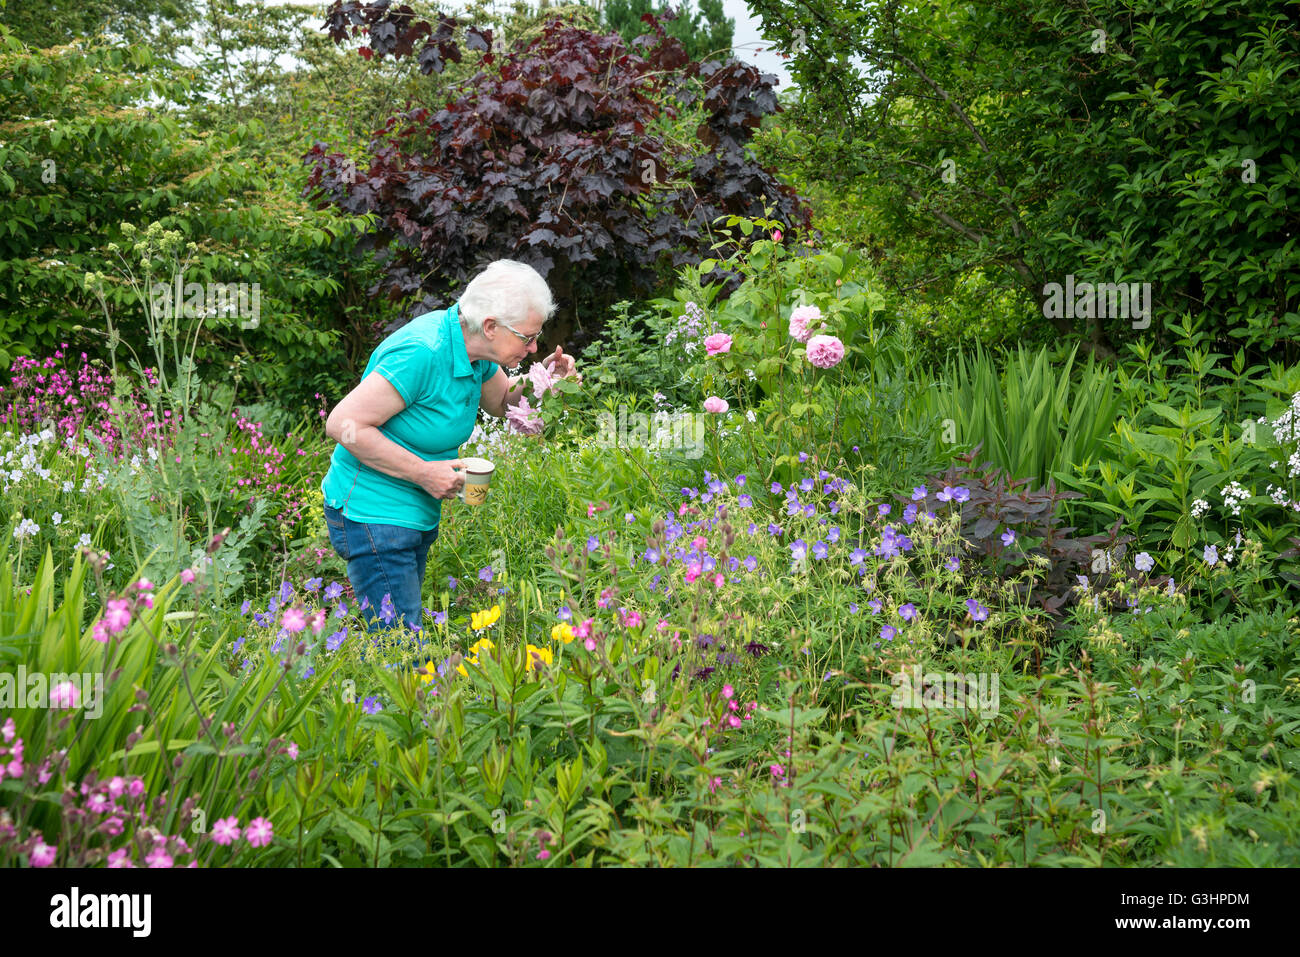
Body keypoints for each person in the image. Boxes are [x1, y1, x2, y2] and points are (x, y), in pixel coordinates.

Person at [320, 260, 576, 645]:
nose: (534, 346)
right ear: (490, 326)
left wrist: (545, 382)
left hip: (414, 512)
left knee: (397, 635)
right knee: (401, 647)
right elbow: (343, 425)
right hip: (371, 512)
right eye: (527, 338)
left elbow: (502, 401)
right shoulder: (424, 352)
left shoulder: (473, 351)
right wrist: (425, 472)